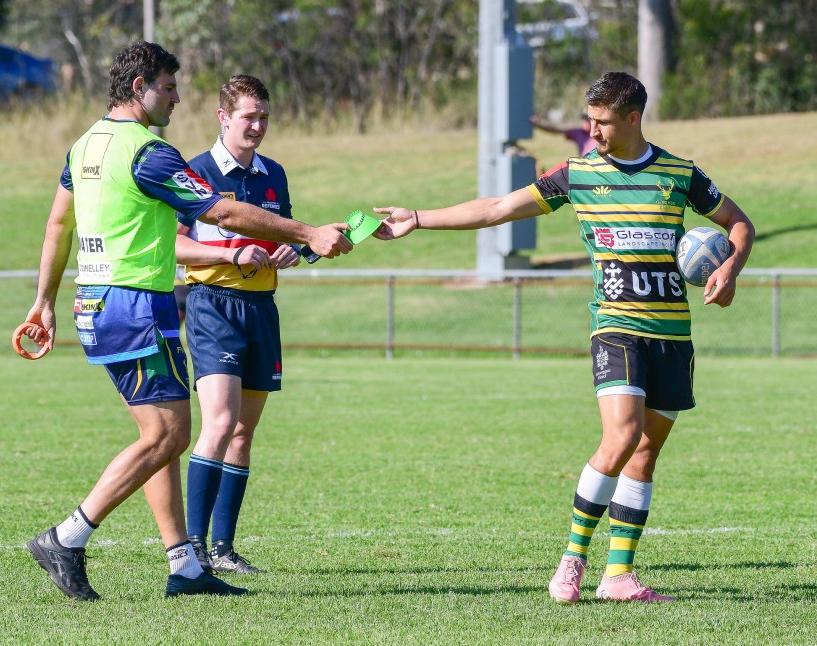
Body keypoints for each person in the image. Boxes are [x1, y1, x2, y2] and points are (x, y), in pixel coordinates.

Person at [374, 72, 755, 604]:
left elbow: (739, 222)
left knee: (645, 454)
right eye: (589, 120)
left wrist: (732, 266)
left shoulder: (679, 173)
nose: (592, 131)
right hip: (616, 326)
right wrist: (419, 217)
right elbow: (496, 208)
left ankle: (618, 576)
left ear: (632, 117)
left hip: (673, 332)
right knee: (621, 437)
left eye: (602, 122)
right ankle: (572, 559)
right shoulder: (576, 175)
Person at [20, 40, 352, 602]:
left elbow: (58, 225)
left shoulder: (85, 145)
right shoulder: (149, 153)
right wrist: (307, 233)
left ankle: (186, 565)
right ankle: (67, 537)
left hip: (95, 303)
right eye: (168, 88)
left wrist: (44, 301)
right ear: (138, 89)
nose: (176, 100)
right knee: (171, 433)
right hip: (134, 306)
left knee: (160, 437)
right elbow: (219, 211)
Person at [175, 75, 299, 575]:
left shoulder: (274, 174)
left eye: (264, 116)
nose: (258, 125)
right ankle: (191, 548)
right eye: (249, 116)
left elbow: (286, 232)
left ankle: (223, 549)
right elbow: (175, 246)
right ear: (223, 117)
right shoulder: (193, 171)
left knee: (243, 433)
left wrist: (292, 249)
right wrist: (232, 251)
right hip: (212, 306)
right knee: (220, 424)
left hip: (261, 309)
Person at [530, 112, 595, 157]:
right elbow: (556, 130)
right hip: (585, 171)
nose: (585, 121)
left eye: (588, 118)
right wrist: (539, 124)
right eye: (584, 118)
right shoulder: (579, 133)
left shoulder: (602, 134)